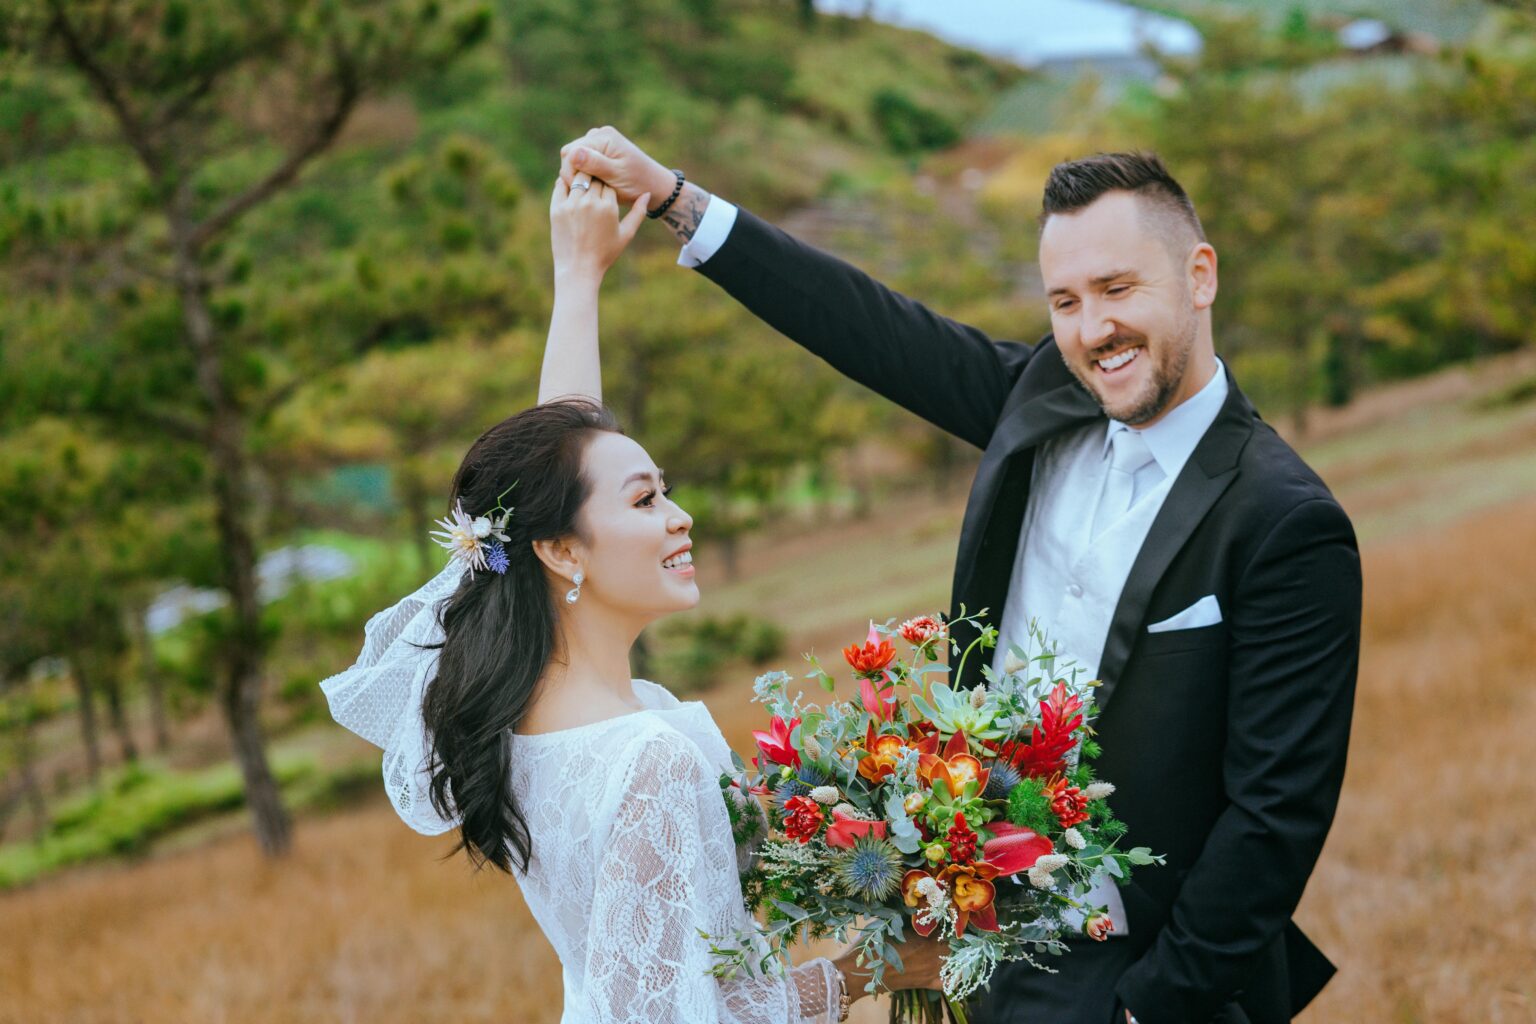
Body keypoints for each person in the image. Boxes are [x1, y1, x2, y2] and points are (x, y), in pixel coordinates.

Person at [554, 129, 1362, 1024]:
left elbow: (1276, 814)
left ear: (1200, 276)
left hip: (1138, 969)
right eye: (1065, 300)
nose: (1093, 329)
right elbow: (868, 324)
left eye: (1119, 289)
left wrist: (1153, 1008)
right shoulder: (1043, 400)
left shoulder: (1287, 521)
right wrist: (675, 197)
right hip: (977, 940)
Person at [319, 170, 949, 1021]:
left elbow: (556, 473)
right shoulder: (640, 758)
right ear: (561, 552)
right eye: (647, 501)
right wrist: (866, 970)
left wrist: (578, 278)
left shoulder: (528, 716)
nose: (681, 518)